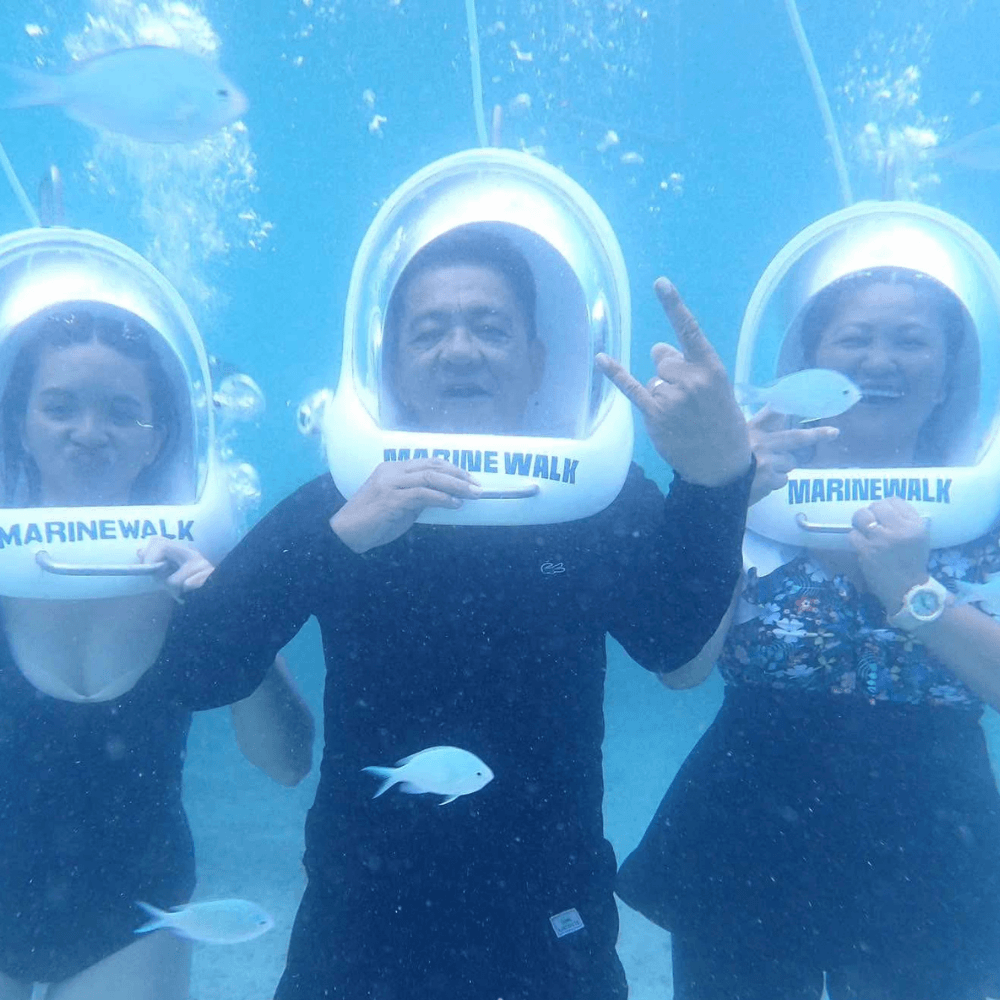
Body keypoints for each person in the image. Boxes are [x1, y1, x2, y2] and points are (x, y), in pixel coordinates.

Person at [153, 224, 755, 1000]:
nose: (460, 349)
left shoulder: (594, 500)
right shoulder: (342, 500)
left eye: (491, 327)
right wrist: (337, 545)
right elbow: (197, 672)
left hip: (549, 916)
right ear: (391, 365)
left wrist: (715, 478)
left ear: (539, 361)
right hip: (360, 914)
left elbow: (671, 644)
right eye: (428, 330)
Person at [617, 263, 1000, 1000]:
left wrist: (914, 593)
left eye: (911, 342)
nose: (880, 360)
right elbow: (683, 670)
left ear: (951, 375)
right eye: (854, 338)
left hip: (932, 840)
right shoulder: (744, 488)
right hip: (746, 826)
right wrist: (722, 502)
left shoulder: (985, 509)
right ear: (806, 364)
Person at [0, 307, 314, 1000]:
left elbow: (288, 763)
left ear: (158, 437)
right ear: (19, 423)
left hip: (136, 910)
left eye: (120, 411)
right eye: (59, 407)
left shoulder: (202, 567)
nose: (88, 433)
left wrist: (226, 616)